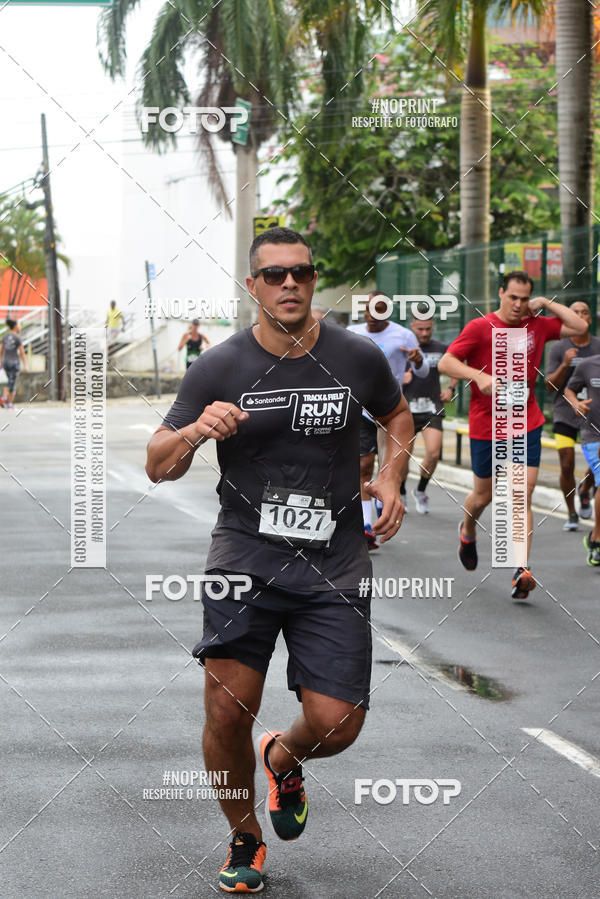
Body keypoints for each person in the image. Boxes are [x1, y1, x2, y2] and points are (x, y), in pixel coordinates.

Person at [145, 226, 413, 893]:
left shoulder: (355, 356)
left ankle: (284, 754)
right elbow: (158, 464)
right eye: (274, 275)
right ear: (252, 286)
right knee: (226, 709)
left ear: (314, 280)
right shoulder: (221, 366)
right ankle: (244, 836)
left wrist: (389, 478)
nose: (289, 283)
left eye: (301, 272)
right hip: (245, 556)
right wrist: (194, 430)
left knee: (338, 723)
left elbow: (398, 417)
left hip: (337, 561)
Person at [438, 271, 587, 600]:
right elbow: (446, 363)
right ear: (501, 294)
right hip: (486, 425)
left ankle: (522, 568)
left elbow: (580, 328)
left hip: (525, 421)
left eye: (524, 298)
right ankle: (467, 529)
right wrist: (478, 376)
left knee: (521, 494)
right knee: (483, 496)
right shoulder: (480, 328)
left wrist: (546, 303)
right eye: (513, 297)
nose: (519, 304)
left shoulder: (538, 325)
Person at [347, 292, 429, 548]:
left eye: (379, 309)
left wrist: (417, 360)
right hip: (360, 410)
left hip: (391, 412)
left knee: (391, 469)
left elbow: (423, 370)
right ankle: (365, 526)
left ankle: (385, 500)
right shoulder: (352, 332)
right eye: (368, 309)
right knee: (363, 466)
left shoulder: (403, 335)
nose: (372, 315)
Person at [544, 301, 600, 530]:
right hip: (565, 413)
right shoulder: (558, 347)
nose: (580, 316)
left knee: (595, 464)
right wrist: (566, 364)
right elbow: (549, 385)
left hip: (594, 416)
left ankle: (585, 488)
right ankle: (571, 513)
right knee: (566, 463)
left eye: (584, 312)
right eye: (574, 312)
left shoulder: (598, 347)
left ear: (589, 319)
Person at [402, 314, 458, 513]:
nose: (424, 333)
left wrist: (451, 389)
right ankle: (401, 491)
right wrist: (400, 379)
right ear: (412, 326)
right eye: (420, 329)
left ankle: (420, 490)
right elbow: (385, 372)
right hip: (406, 410)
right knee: (402, 458)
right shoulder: (403, 348)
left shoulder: (441, 348)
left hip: (432, 408)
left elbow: (455, 367)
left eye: (428, 329)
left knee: (433, 454)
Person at [564, 355, 600, 566]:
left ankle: (595, 537)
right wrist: (575, 403)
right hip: (593, 435)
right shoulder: (588, 364)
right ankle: (597, 538)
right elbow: (569, 390)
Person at [0, 318, 28, 409]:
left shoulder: (5, 336)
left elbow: (1, 350)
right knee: (12, 382)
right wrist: (25, 365)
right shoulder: (17, 337)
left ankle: (4, 398)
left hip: (5, 362)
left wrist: (1, 361)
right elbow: (22, 353)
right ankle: (9, 403)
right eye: (19, 325)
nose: (20, 327)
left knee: (8, 381)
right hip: (14, 362)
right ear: (15, 327)